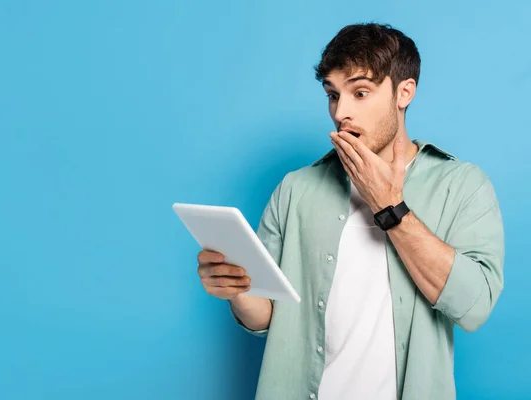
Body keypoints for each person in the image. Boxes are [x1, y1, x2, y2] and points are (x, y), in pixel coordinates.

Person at [196, 23, 504, 400]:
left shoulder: (462, 185)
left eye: (360, 93)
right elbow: (268, 320)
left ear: (403, 92)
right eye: (332, 94)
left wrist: (389, 206)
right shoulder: (296, 189)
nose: (341, 112)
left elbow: (475, 306)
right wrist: (236, 289)